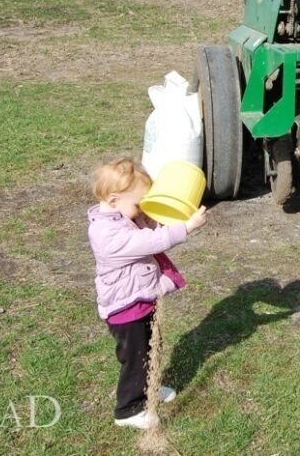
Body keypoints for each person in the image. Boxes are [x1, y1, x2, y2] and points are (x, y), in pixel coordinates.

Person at [87, 157, 209, 429]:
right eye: (138, 204)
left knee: (153, 347)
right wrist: (186, 227)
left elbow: (150, 226)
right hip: (125, 310)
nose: (141, 209)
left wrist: (159, 212)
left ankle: (149, 389)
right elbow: (151, 241)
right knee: (135, 358)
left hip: (140, 299)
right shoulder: (108, 235)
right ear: (115, 199)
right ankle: (128, 410)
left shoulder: (121, 215)